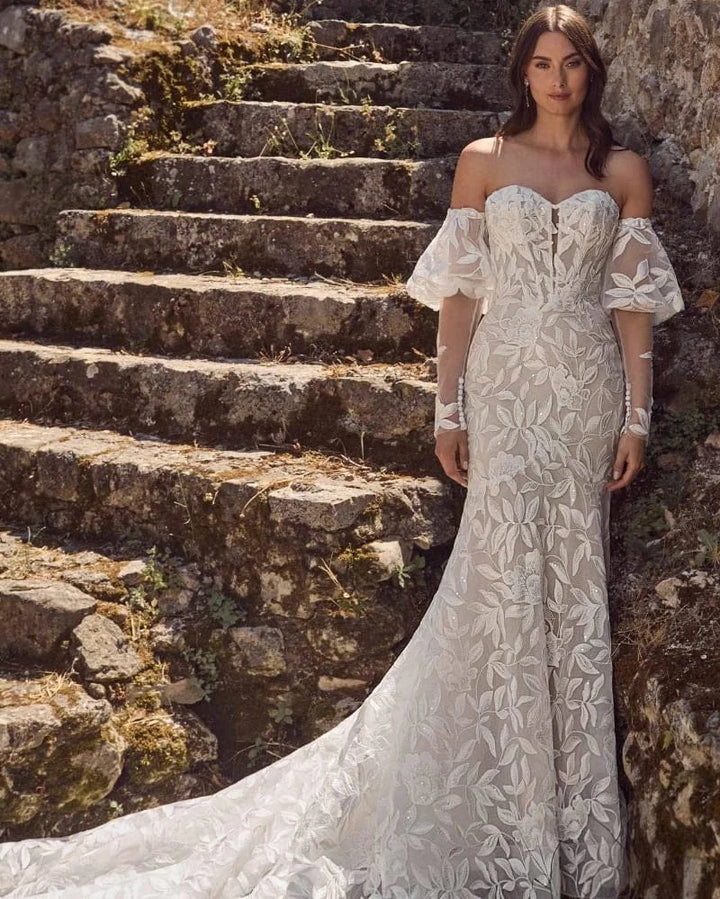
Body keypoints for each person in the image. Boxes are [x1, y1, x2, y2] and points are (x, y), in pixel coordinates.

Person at [0, 4, 684, 898]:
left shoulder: (623, 172)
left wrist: (636, 418)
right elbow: (459, 298)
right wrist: (447, 410)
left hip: (585, 392)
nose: (558, 80)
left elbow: (632, 306)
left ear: (591, 70)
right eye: (543, 63)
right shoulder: (482, 160)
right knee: (498, 574)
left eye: (573, 63)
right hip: (508, 388)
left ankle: (563, 809)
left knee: (574, 573)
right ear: (523, 72)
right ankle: (499, 795)